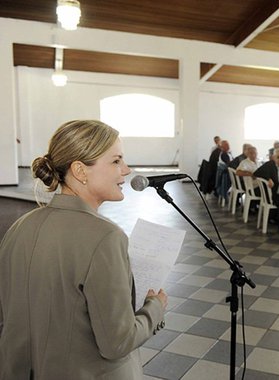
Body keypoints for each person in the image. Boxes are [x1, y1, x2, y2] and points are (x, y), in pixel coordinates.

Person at [0, 120, 167, 379]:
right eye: (116, 161)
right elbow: (117, 343)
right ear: (80, 170)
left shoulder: (19, 227)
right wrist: (155, 307)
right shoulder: (106, 237)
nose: (126, 169)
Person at [253, 148, 279, 231]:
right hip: (275, 194)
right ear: (274, 157)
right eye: (278, 157)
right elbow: (256, 173)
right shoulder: (269, 165)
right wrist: (268, 179)